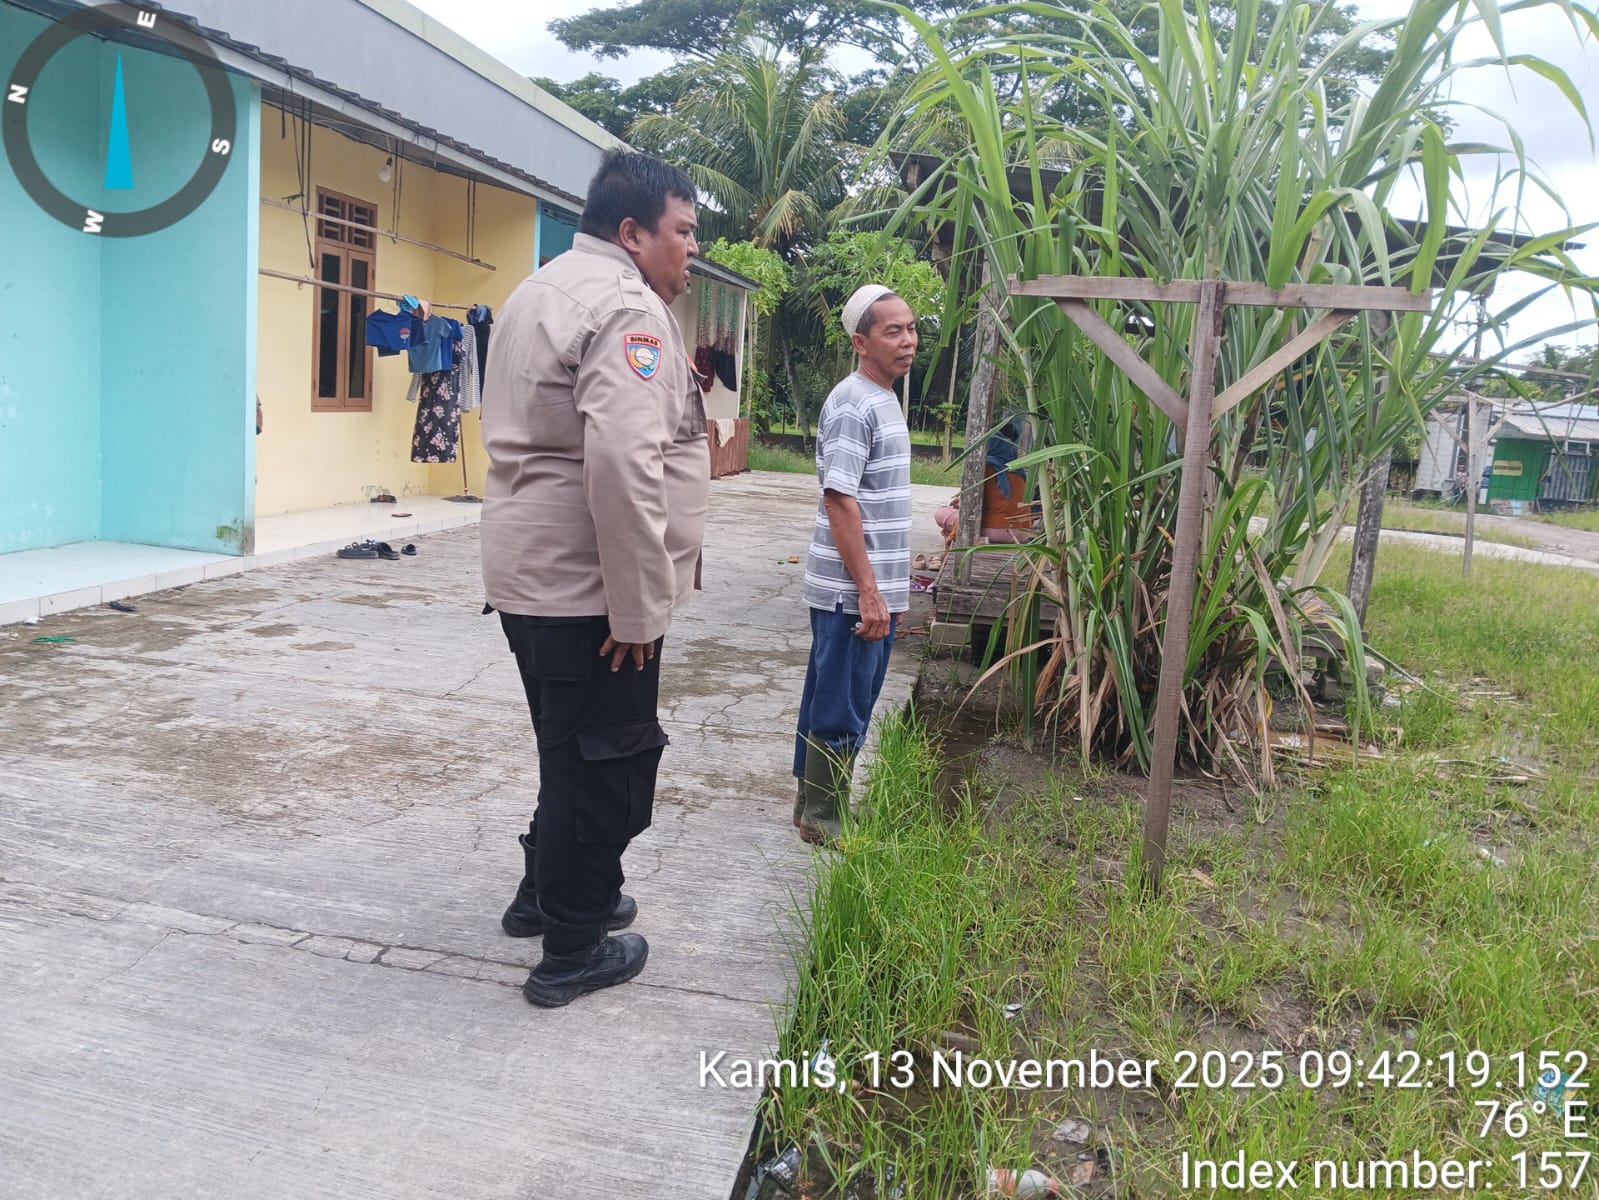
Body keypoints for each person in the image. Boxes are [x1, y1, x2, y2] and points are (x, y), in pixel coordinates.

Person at [479, 149, 706, 1008]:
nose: (690, 251)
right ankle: (572, 947)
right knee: (603, 762)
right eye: (681, 233)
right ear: (631, 232)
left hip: (531, 573)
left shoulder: (539, 288)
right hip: (587, 589)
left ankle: (547, 894)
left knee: (564, 748)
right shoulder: (624, 309)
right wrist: (640, 606)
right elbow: (621, 463)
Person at [793, 284, 917, 845]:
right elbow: (839, 498)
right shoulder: (854, 401)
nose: (908, 340)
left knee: (832, 692)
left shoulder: (883, 397)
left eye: (912, 328)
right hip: (851, 590)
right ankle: (825, 817)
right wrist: (869, 590)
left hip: (869, 586)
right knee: (844, 699)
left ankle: (811, 805)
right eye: (893, 331)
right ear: (860, 341)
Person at [931, 416, 1036, 548]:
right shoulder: (1019, 471)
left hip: (996, 531)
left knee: (941, 513)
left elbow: (970, 510)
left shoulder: (982, 469)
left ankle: (979, 540)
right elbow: (1003, 501)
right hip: (1023, 533)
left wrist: (953, 535)